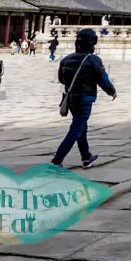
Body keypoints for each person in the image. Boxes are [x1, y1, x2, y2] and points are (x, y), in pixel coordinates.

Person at [52, 28, 117, 167]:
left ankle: (86, 157)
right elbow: (102, 79)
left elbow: (61, 79)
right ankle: (56, 161)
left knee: (81, 126)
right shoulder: (93, 60)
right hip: (85, 98)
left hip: (71, 98)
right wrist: (111, 91)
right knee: (76, 128)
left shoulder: (66, 59)